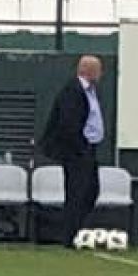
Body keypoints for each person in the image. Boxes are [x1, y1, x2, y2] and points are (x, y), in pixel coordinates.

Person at [39, 55, 105, 245]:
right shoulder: (73, 91)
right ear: (89, 70)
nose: (101, 74)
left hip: (89, 148)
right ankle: (70, 235)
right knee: (77, 192)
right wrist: (80, 146)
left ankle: (77, 229)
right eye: (98, 70)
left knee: (90, 190)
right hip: (76, 150)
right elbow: (68, 123)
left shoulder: (91, 92)